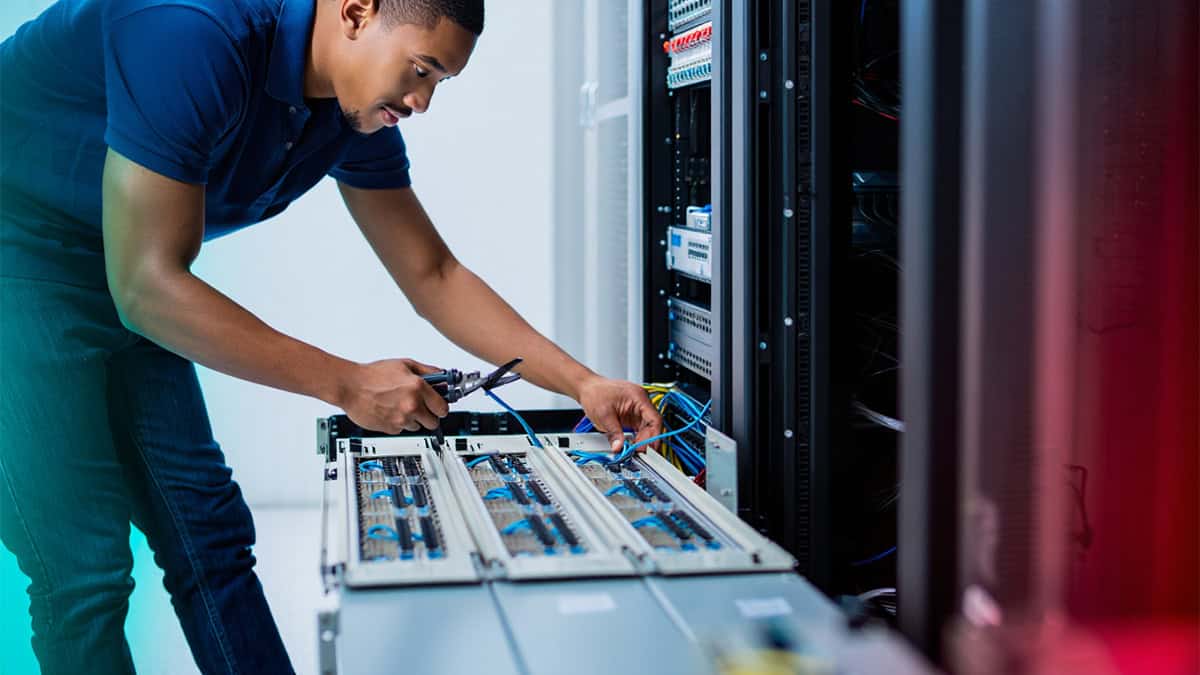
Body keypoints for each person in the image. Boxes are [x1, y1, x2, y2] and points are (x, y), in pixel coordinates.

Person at [0, 0, 663, 672]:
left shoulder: (350, 111)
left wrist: (585, 382)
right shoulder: (193, 29)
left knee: (211, 538)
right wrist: (348, 383)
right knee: (83, 569)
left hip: (116, 261)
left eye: (440, 82)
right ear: (355, 12)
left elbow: (433, 274)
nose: (423, 101)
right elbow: (146, 287)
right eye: (422, 70)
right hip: (18, 253)